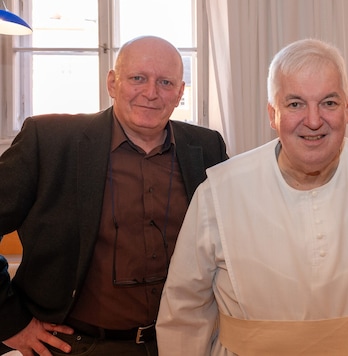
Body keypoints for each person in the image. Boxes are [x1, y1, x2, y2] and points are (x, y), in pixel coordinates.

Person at [156, 38, 348, 355]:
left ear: (347, 109)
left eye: (329, 103)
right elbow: (185, 311)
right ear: (273, 114)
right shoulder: (219, 193)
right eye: (295, 104)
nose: (313, 120)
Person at [0, 36, 228, 356]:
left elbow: (232, 237)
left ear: (180, 92)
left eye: (165, 82)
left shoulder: (206, 148)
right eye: (138, 78)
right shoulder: (49, 141)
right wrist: (11, 323)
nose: (151, 93)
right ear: (112, 82)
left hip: (180, 344)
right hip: (75, 345)